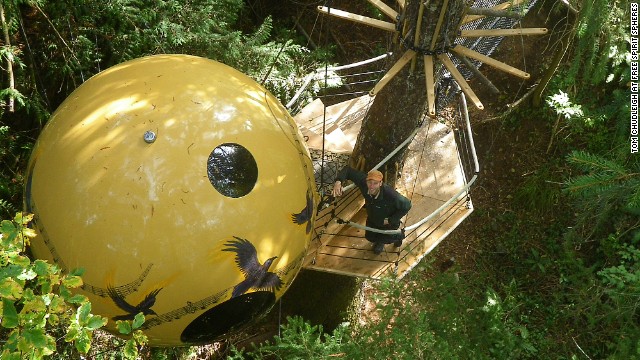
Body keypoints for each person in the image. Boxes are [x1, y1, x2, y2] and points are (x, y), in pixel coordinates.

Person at [332, 166, 412, 255]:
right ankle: (379, 241)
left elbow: (407, 205)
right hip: (373, 218)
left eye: (375, 183)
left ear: (380, 183)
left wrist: (392, 219)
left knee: (386, 237)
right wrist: (338, 182)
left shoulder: (390, 195)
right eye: (369, 182)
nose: (372, 186)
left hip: (387, 223)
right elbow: (347, 170)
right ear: (366, 181)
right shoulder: (364, 184)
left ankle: (399, 236)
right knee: (370, 237)